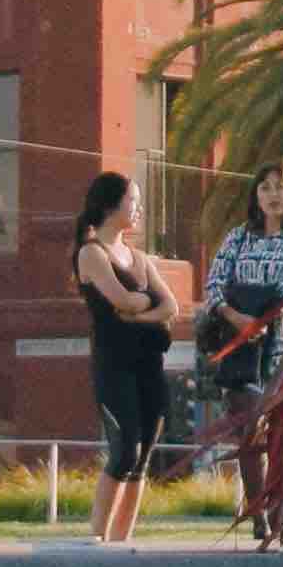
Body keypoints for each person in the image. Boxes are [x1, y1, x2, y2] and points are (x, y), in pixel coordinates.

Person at [67, 170, 177, 545]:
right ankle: (97, 539)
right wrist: (144, 303)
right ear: (111, 204)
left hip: (149, 365)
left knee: (144, 456)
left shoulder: (140, 258)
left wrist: (138, 314)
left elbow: (171, 306)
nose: (139, 207)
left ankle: (121, 542)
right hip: (114, 366)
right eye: (133, 200)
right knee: (125, 449)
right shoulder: (91, 253)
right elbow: (122, 299)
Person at [192, 161, 283, 451]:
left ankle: (278, 485)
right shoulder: (238, 237)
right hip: (240, 349)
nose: (273, 194)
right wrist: (235, 317)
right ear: (256, 196)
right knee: (249, 439)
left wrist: (260, 319)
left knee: (280, 441)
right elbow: (214, 286)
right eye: (265, 187)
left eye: (280, 186)